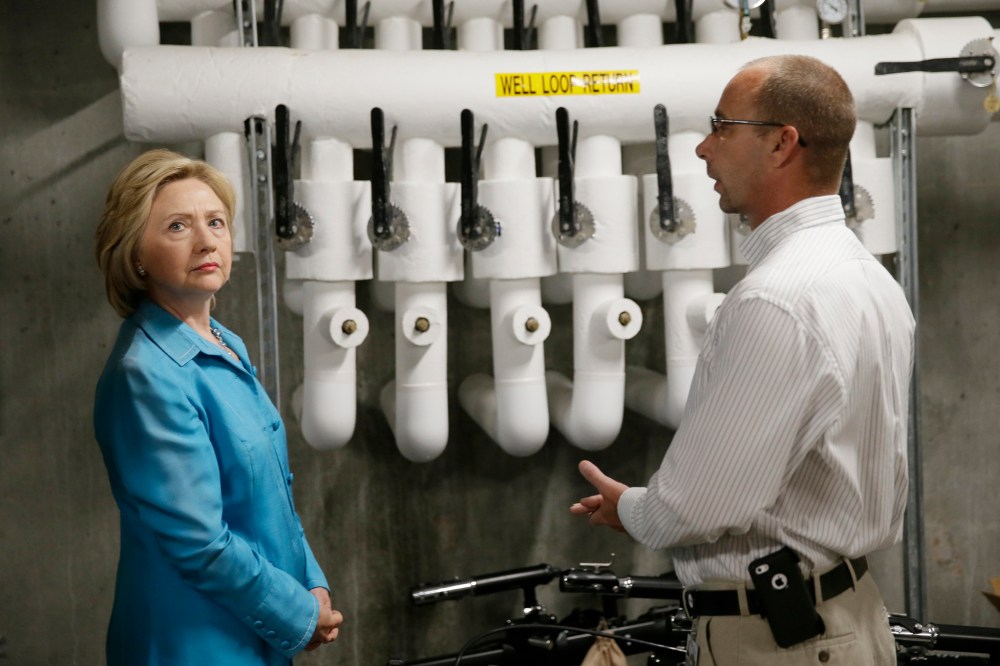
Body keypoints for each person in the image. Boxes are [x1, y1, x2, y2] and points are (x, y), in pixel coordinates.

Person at [571, 55, 915, 664]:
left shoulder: (775, 299)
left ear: (783, 144)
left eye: (722, 127)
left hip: (780, 641)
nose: (703, 149)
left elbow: (698, 504)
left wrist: (633, 508)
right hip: (846, 618)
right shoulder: (868, 275)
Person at [94, 149, 343, 665]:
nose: (208, 240)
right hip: (195, 642)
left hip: (253, 623)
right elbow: (199, 543)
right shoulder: (147, 373)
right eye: (178, 226)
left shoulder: (223, 343)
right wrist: (296, 612)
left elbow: (269, 493)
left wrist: (310, 584)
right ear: (135, 253)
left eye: (216, 222)